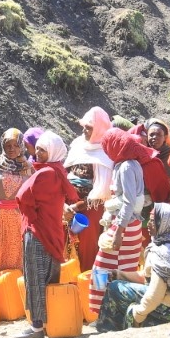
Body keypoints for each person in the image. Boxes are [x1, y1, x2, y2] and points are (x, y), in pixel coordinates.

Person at [15, 131, 80, 338]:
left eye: (43, 150)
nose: (38, 154)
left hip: (38, 231)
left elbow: (23, 196)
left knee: (35, 277)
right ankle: (51, 321)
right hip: (51, 230)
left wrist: (32, 212)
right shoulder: (57, 172)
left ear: (52, 152)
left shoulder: (46, 174)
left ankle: (37, 325)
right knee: (49, 276)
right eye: (38, 149)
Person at [95, 203, 170, 331]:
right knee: (119, 283)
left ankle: (107, 330)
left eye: (153, 220)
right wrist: (117, 274)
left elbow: (156, 291)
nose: (148, 223)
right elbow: (146, 276)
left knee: (114, 288)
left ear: (164, 223)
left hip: (168, 307)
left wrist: (138, 313)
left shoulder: (160, 252)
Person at [88, 128, 151, 321]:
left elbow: (129, 202)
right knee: (123, 271)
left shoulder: (126, 167)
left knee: (102, 269)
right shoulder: (124, 164)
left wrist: (119, 231)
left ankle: (103, 313)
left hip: (125, 225)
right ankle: (118, 313)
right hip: (127, 225)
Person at [65, 106, 114, 271]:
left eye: (89, 128)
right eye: (84, 126)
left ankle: (86, 283)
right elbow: (67, 171)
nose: (85, 130)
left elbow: (103, 190)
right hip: (69, 206)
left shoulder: (106, 152)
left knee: (87, 247)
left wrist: (78, 206)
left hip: (91, 209)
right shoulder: (78, 145)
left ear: (99, 129)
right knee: (67, 245)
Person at [0, 128, 33, 273]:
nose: (11, 149)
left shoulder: (28, 168)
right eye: (8, 145)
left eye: (16, 145)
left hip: (17, 219)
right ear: (2, 146)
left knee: (15, 255)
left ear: (21, 146)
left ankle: (13, 291)